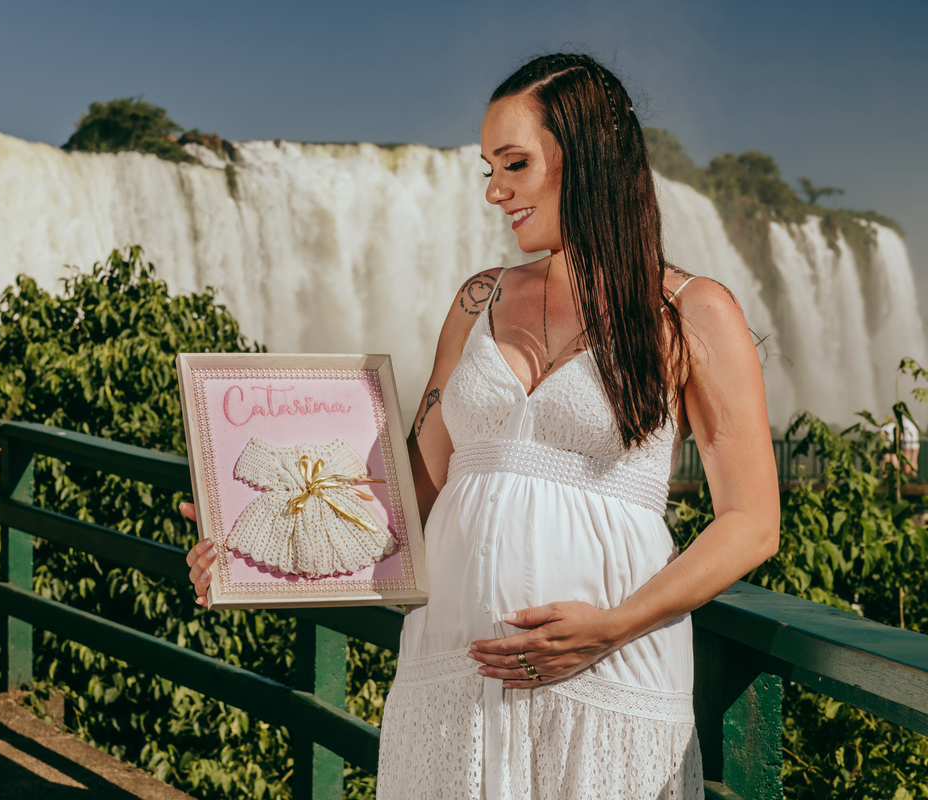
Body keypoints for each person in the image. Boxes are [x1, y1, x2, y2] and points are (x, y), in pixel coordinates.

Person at [182, 53, 779, 799]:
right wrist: (250, 546)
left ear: (588, 156)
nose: (496, 192)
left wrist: (612, 626)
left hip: (609, 672)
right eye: (488, 170)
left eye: (515, 164)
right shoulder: (478, 301)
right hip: (453, 674)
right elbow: (405, 500)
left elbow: (752, 522)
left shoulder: (692, 311)